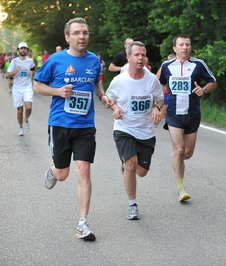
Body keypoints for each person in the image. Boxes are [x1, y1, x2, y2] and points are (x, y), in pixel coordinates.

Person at [33, 17, 114, 241]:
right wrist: (58, 92)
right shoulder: (55, 60)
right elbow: (37, 86)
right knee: (62, 174)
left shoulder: (93, 60)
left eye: (85, 33)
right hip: (60, 123)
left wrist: (103, 96)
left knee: (84, 171)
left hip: (85, 125)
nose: (82, 37)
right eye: (77, 33)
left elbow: (96, 83)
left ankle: (82, 223)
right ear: (67, 37)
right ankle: (53, 169)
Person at [105, 41, 164, 220]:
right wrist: (114, 108)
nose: (141, 58)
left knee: (141, 171)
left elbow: (160, 100)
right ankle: (133, 205)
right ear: (128, 57)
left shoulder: (152, 79)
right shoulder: (119, 80)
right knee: (130, 164)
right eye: (137, 55)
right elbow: (108, 98)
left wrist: (156, 108)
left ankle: (127, 167)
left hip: (146, 131)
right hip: (124, 128)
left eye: (143, 55)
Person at [158, 34, 217, 202]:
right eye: (181, 45)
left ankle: (177, 160)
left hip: (192, 113)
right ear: (174, 48)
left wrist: (204, 90)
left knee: (188, 153)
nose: (184, 47)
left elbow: (213, 81)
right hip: (174, 114)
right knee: (179, 150)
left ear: (190, 48)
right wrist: (158, 106)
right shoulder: (166, 65)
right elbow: (160, 85)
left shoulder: (198, 64)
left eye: (187, 44)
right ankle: (180, 187)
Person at [7, 42, 35, 136]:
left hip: (27, 87)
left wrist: (32, 74)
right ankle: (20, 127)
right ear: (18, 50)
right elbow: (8, 75)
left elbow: (32, 70)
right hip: (17, 88)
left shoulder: (30, 61)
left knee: (29, 107)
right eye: (21, 48)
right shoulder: (14, 62)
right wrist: (16, 71)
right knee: (20, 110)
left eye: (25, 48)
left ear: (27, 50)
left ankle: (26, 119)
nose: (23, 50)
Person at [156, 53, 175, 121]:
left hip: (174, 96)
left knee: (166, 114)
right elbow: (157, 79)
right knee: (163, 114)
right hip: (166, 94)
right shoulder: (164, 67)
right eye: (168, 60)